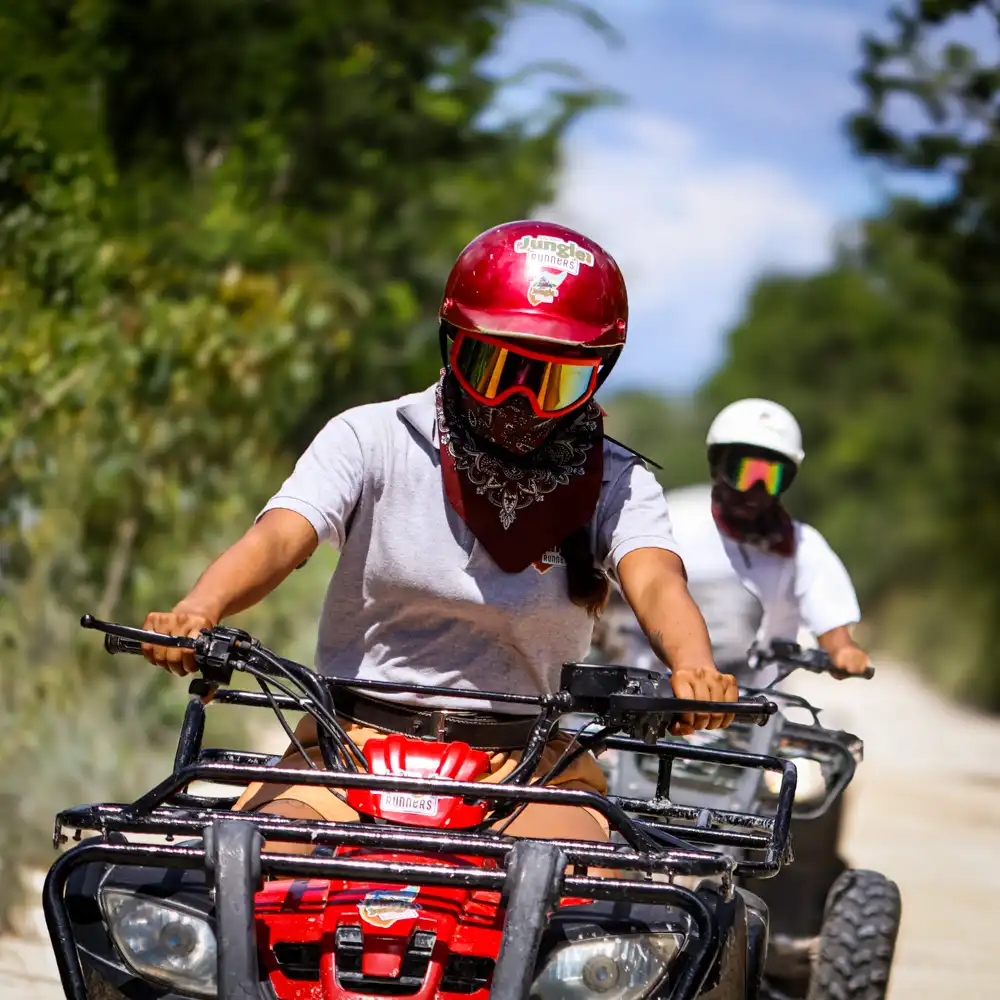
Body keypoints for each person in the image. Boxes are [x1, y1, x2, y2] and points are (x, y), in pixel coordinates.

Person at [140, 220, 738, 852]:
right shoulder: (371, 437)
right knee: (251, 865)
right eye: (493, 368)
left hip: (526, 765)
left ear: (598, 376)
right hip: (348, 745)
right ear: (452, 345)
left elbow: (656, 578)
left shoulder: (616, 478)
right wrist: (199, 610)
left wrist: (695, 666)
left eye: (553, 382)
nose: (518, 402)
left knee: (591, 901)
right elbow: (281, 537)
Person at [665, 399, 871, 679]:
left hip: (754, 701)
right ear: (716, 468)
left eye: (771, 477)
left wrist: (844, 651)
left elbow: (831, 620)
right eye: (742, 472)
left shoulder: (800, 546)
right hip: (660, 693)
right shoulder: (673, 522)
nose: (755, 490)